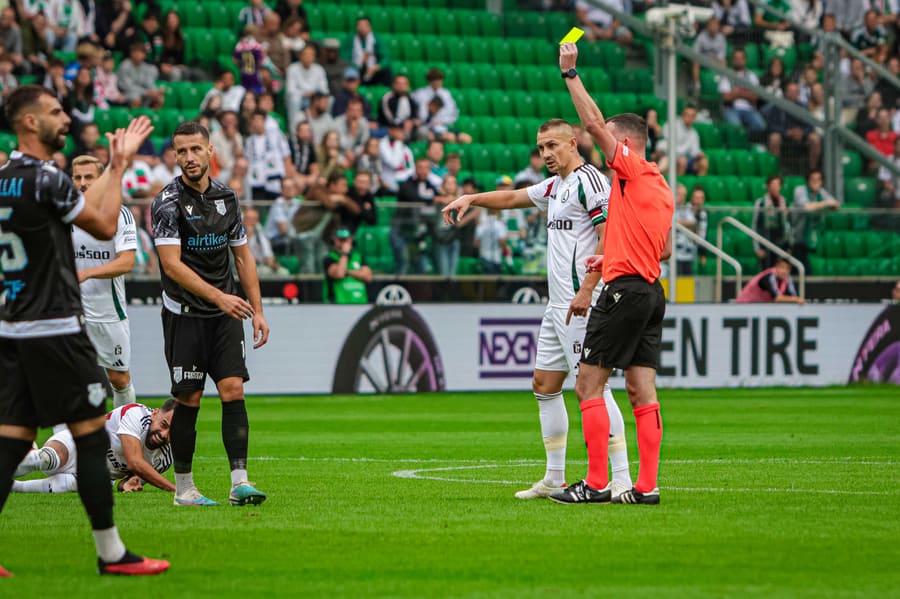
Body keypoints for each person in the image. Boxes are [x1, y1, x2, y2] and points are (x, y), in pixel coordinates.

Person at [0, 85, 167, 576]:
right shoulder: (46, 179)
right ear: (30, 122)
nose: (65, 119)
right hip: (55, 328)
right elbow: (102, 224)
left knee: (13, 441)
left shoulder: (4, 180)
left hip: (12, 328)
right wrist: (119, 164)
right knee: (93, 437)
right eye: (54, 111)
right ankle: (112, 554)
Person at [442, 118, 633, 500]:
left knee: (594, 389)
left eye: (552, 145)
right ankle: (554, 478)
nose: (546, 153)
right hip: (556, 305)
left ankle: (622, 477)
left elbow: (607, 235)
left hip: (582, 303)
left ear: (573, 143)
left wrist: (588, 289)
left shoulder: (591, 182)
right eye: (541, 147)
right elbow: (512, 198)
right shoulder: (555, 185)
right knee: (544, 385)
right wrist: (471, 198)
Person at [550, 43, 674, 506]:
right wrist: (611, 258)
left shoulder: (632, 170)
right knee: (642, 389)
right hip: (650, 290)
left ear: (627, 145)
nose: (604, 151)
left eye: (612, 144)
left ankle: (597, 483)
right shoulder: (659, 186)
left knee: (588, 384)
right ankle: (646, 487)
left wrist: (571, 73)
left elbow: (593, 124)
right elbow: (659, 247)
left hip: (623, 293)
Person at [151, 121, 270, 508]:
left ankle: (240, 483)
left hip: (225, 314)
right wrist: (221, 297)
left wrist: (258, 310)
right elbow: (171, 265)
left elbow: (243, 255)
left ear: (209, 151)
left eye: (195, 150)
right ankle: (184, 489)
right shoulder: (167, 202)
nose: (189, 157)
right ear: (175, 155)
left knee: (233, 388)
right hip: (185, 315)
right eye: (181, 151)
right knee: (190, 397)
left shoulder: (227, 197)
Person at [70, 155, 139, 410]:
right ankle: (62, 435)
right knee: (66, 377)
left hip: (108, 312)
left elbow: (127, 263)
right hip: (71, 310)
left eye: (89, 177)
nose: (82, 183)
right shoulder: (64, 215)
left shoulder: (120, 214)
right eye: (77, 177)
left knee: (119, 379)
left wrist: (87, 273)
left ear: (102, 180)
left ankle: (124, 430)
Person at [13, 401, 176, 494]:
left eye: (172, 432)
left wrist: (129, 484)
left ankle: (13, 487)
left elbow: (126, 483)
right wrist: (175, 489)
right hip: (77, 445)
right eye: (163, 425)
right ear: (155, 414)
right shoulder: (136, 414)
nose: (163, 434)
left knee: (66, 486)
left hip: (96, 476)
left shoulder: (165, 459)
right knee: (47, 459)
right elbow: (135, 462)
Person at [791, 169, 839, 273]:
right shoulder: (800, 190)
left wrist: (824, 203)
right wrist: (825, 203)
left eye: (818, 179)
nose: (816, 182)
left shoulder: (821, 192)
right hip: (796, 237)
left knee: (810, 269)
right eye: (813, 179)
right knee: (801, 269)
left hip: (813, 238)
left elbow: (836, 204)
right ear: (808, 180)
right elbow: (807, 207)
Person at [752, 175, 792, 269]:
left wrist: (790, 246)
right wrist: (757, 248)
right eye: (773, 185)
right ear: (768, 186)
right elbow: (755, 225)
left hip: (781, 243)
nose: (775, 188)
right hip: (766, 243)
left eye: (778, 185)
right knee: (767, 270)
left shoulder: (785, 202)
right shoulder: (760, 203)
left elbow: (789, 225)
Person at [323, 228, 372, 304]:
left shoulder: (358, 257)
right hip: (338, 303)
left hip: (360, 302)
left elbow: (368, 277)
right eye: (340, 240)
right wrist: (344, 254)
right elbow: (339, 274)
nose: (343, 243)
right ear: (334, 241)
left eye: (346, 240)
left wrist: (348, 272)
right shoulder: (330, 258)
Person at [736, 256, 803, 303]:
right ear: (776, 267)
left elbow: (793, 295)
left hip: (759, 307)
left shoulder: (787, 278)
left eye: (787, 268)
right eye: (782, 267)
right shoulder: (769, 276)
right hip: (744, 304)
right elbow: (777, 298)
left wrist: (795, 299)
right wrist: (796, 299)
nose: (784, 271)